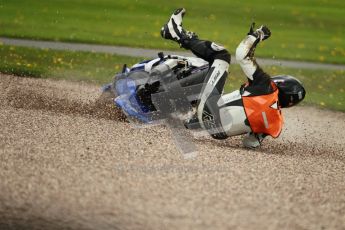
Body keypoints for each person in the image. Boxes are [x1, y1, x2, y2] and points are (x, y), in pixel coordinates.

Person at [161, 8, 306, 148]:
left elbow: (242, 53)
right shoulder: (277, 122)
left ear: (279, 84)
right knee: (237, 101)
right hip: (216, 133)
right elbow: (250, 143)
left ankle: (176, 33)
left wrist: (257, 35)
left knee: (222, 56)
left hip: (208, 112)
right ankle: (192, 120)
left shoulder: (266, 86)